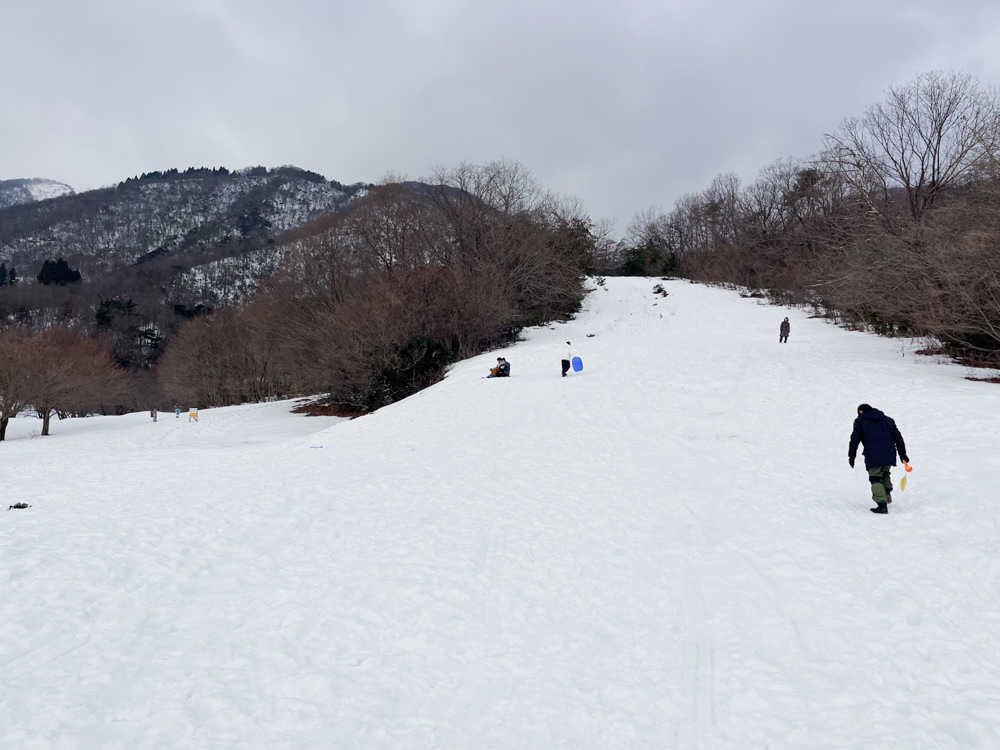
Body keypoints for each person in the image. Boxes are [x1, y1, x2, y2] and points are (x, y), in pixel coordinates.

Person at [848, 404, 909, 514]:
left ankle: (882, 505)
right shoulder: (888, 420)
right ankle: (886, 494)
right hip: (889, 453)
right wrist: (903, 454)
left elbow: (854, 440)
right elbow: (898, 438)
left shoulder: (860, 421)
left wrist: (851, 456)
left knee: (875, 477)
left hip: (873, 454)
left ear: (861, 411)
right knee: (885, 473)